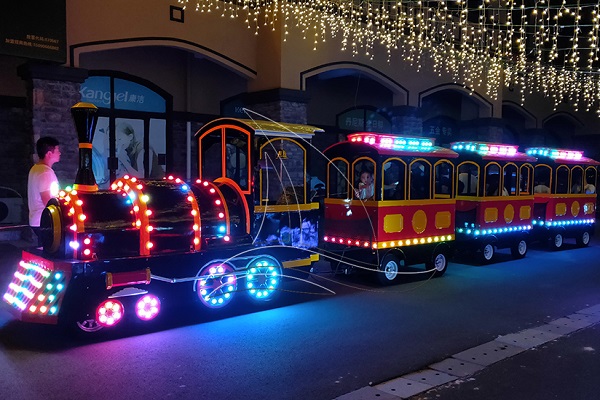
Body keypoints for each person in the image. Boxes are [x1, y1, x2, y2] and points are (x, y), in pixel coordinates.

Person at [28, 136, 61, 244]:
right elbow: (48, 201)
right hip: (45, 221)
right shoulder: (45, 172)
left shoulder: (35, 168)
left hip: (36, 220)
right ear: (49, 154)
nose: (59, 153)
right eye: (57, 150)